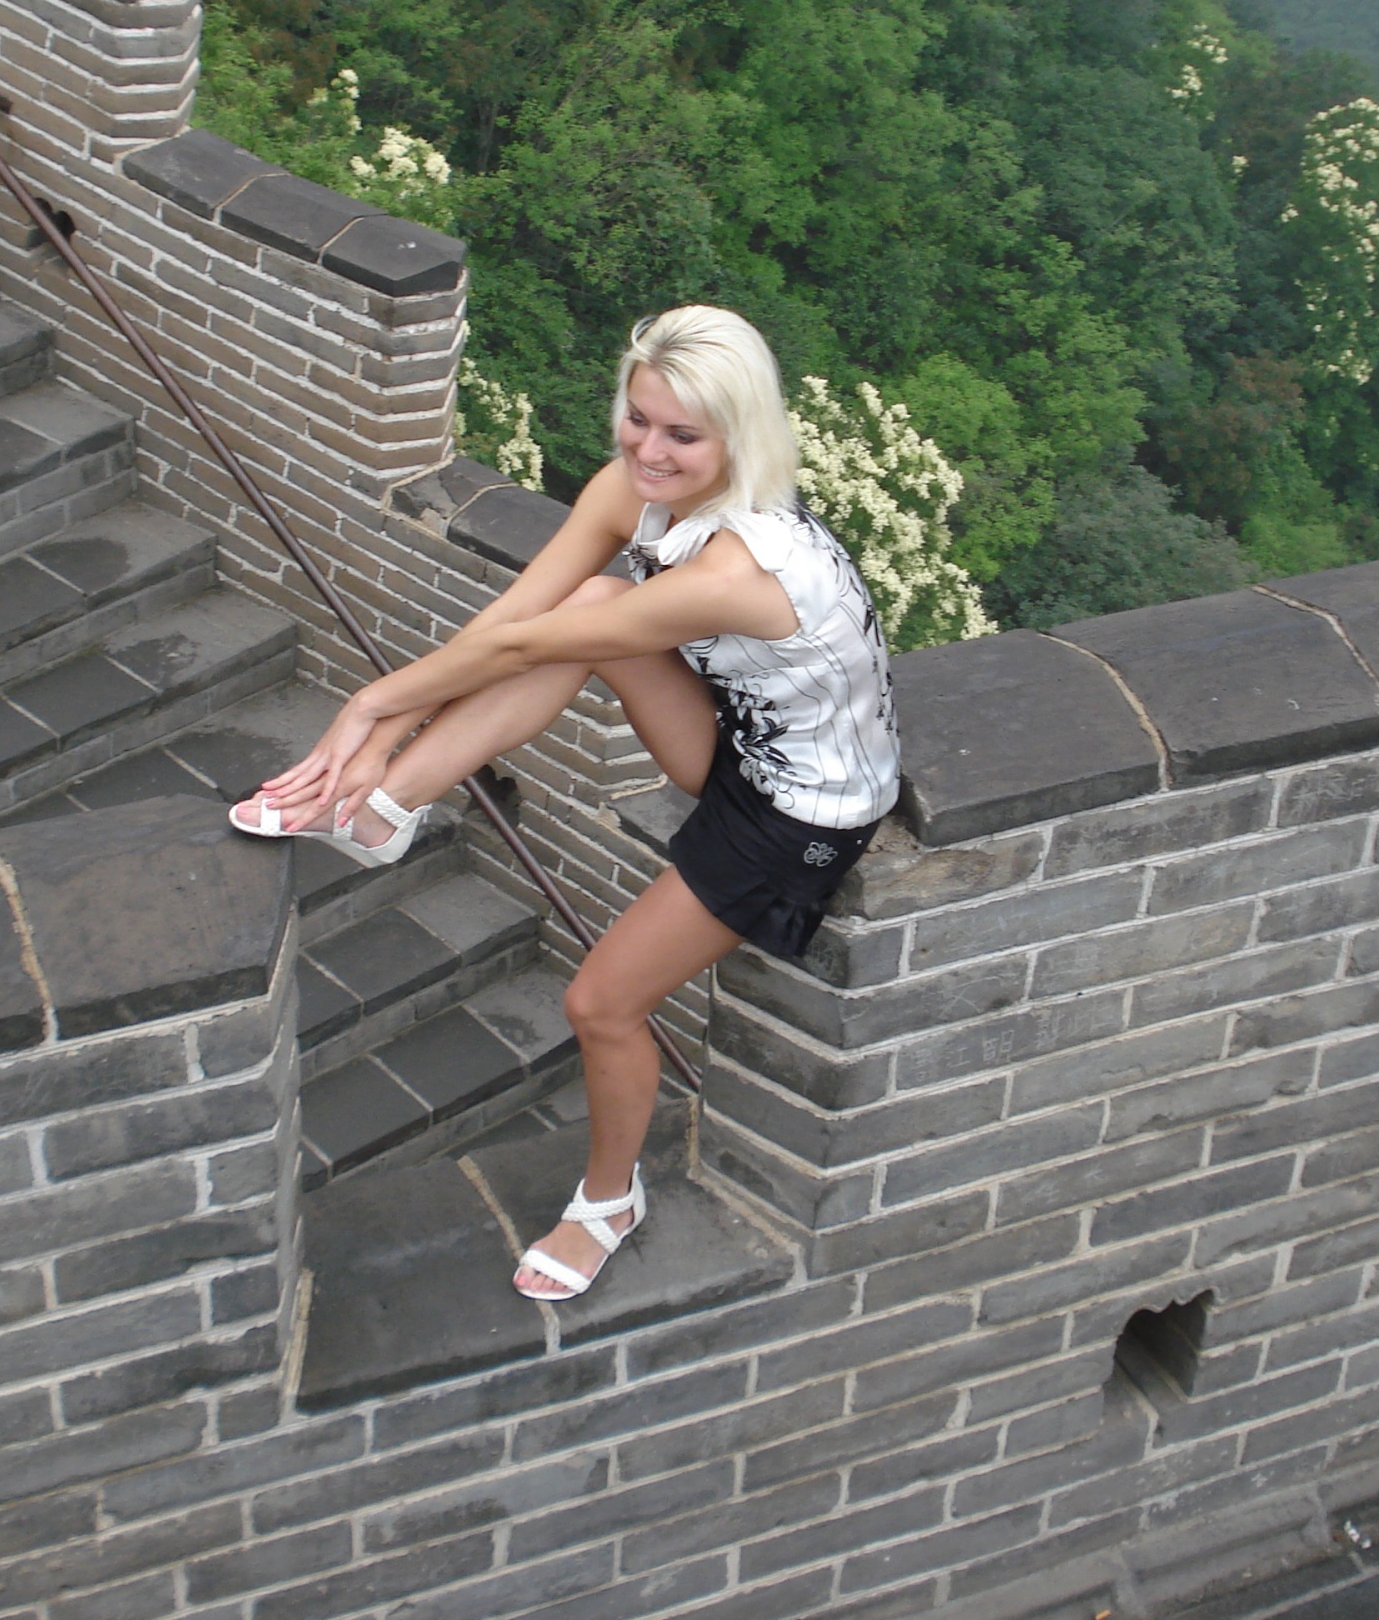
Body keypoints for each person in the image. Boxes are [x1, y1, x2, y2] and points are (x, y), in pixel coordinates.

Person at [230, 306, 901, 1299]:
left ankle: (607, 1202)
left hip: (797, 815)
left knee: (601, 1003)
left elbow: (518, 650)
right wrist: (383, 739)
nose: (649, 450)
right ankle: (383, 809)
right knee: (590, 604)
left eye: (683, 435)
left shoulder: (735, 571)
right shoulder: (636, 488)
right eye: (638, 418)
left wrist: (370, 708)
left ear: (737, 437)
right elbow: (517, 614)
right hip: (729, 739)